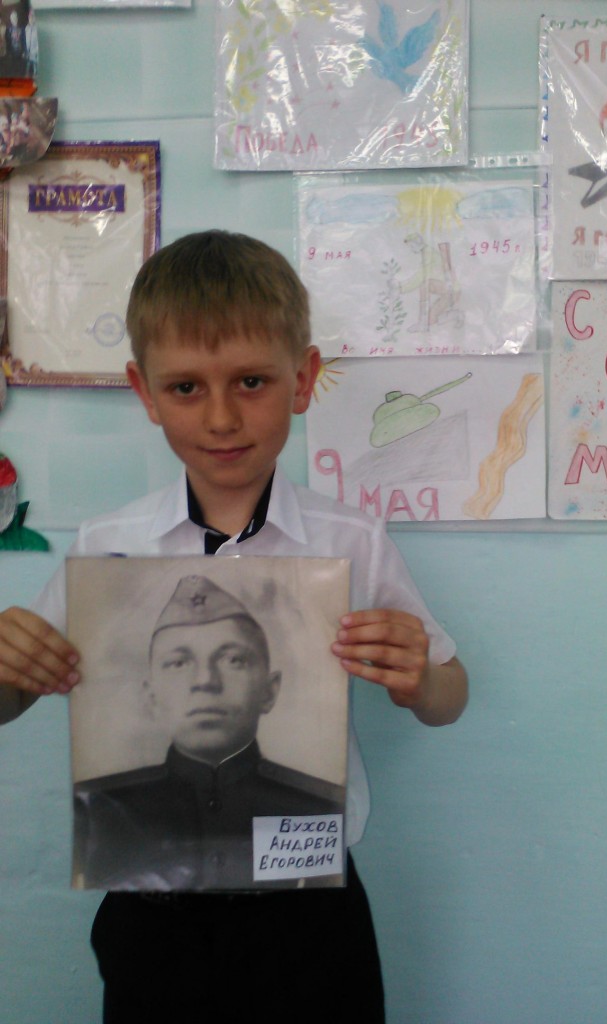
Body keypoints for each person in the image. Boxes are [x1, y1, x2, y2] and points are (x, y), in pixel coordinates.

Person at [0, 230, 468, 1023]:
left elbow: (451, 695)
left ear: (303, 379)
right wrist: (9, 666)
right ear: (144, 392)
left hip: (310, 911)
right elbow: (11, 700)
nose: (221, 417)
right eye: (185, 387)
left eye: (252, 381)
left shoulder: (351, 541)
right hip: (151, 910)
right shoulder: (108, 545)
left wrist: (422, 679)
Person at [74, 573, 345, 891]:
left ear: (269, 690)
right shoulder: (99, 808)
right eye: (179, 663)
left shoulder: (318, 805)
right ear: (151, 697)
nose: (205, 681)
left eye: (233, 660)